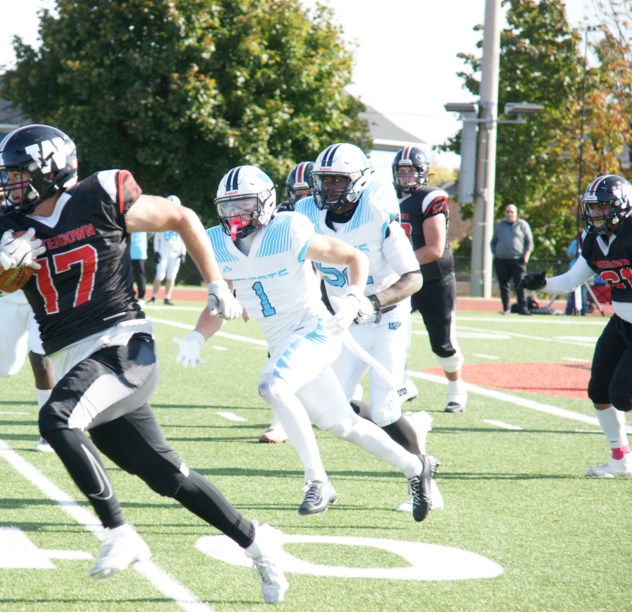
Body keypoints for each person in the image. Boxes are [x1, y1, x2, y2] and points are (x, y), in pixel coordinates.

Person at [0, 124, 288, 604]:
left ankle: (119, 533)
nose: (10, 186)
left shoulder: (101, 194)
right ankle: (258, 544)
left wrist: (214, 283)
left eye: (20, 175)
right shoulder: (7, 227)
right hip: (75, 360)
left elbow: (182, 216)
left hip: (124, 345)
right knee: (167, 475)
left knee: (56, 419)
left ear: (49, 170)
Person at [173, 165, 439, 521]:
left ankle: (318, 481)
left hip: (314, 329)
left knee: (273, 386)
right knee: (341, 423)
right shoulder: (217, 245)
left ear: (266, 203)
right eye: (230, 206)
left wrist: (352, 297)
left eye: (245, 204)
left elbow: (354, 257)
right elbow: (220, 303)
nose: (236, 214)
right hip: (282, 340)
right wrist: (197, 336)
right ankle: (414, 466)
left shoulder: (288, 230)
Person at [295, 142, 443, 513]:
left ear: (358, 182)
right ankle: (416, 432)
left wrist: (372, 302)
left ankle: (422, 478)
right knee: (332, 406)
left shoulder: (377, 215)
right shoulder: (304, 213)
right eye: (322, 180)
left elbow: (413, 279)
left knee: (384, 411)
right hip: (346, 320)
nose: (326, 188)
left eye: (336, 180)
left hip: (386, 316)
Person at [523, 174, 632, 478]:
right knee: (599, 389)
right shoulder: (593, 239)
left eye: (603, 208)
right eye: (593, 208)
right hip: (622, 321)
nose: (597, 214)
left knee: (623, 394)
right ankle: (621, 458)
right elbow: (572, 281)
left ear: (622, 206)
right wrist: (542, 284)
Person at [0, 185, 57, 453]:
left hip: (42, 299)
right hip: (8, 300)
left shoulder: (56, 212)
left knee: (41, 357)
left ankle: (51, 431)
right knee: (4, 368)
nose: (12, 187)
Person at [393, 146, 468, 413]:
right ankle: (403, 384)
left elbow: (434, 249)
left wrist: (394, 264)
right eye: (401, 171)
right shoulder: (385, 198)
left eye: (411, 171)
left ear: (423, 173)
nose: (405, 177)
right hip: (402, 278)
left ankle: (456, 388)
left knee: (442, 343)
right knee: (386, 334)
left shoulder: (430, 197)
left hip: (433, 278)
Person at [258, 160, 316, 445]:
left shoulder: (330, 211)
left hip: (329, 290)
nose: (303, 199)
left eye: (308, 192)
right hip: (289, 292)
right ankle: (280, 421)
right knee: (279, 354)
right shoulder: (279, 214)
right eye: (299, 192)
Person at [491, 203, 533, 314]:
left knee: (520, 284)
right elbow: (493, 242)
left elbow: (529, 242)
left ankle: (523, 308)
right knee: (504, 285)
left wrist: (526, 256)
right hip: (501, 260)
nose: (509, 214)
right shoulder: (499, 226)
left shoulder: (522, 225)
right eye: (507, 211)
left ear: (516, 213)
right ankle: (506, 308)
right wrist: (495, 254)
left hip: (518, 259)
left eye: (512, 212)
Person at [148, 195, 187, 305]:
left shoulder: (181, 221)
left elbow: (184, 238)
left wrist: (183, 252)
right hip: (163, 252)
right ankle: (154, 297)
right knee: (160, 275)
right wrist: (156, 251)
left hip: (175, 253)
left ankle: (167, 297)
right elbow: (157, 237)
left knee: (171, 276)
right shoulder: (162, 220)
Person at [564, 232, 584, 316]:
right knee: (571, 291)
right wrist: (576, 253)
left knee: (583, 293)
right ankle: (569, 310)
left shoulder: (588, 242)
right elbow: (569, 256)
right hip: (574, 269)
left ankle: (582, 311)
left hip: (584, 271)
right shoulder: (575, 243)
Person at [130, 228, 149, 303]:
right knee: (127, 275)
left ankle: (141, 297)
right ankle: (128, 295)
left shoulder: (143, 222)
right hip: (127, 252)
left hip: (139, 252)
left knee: (140, 276)